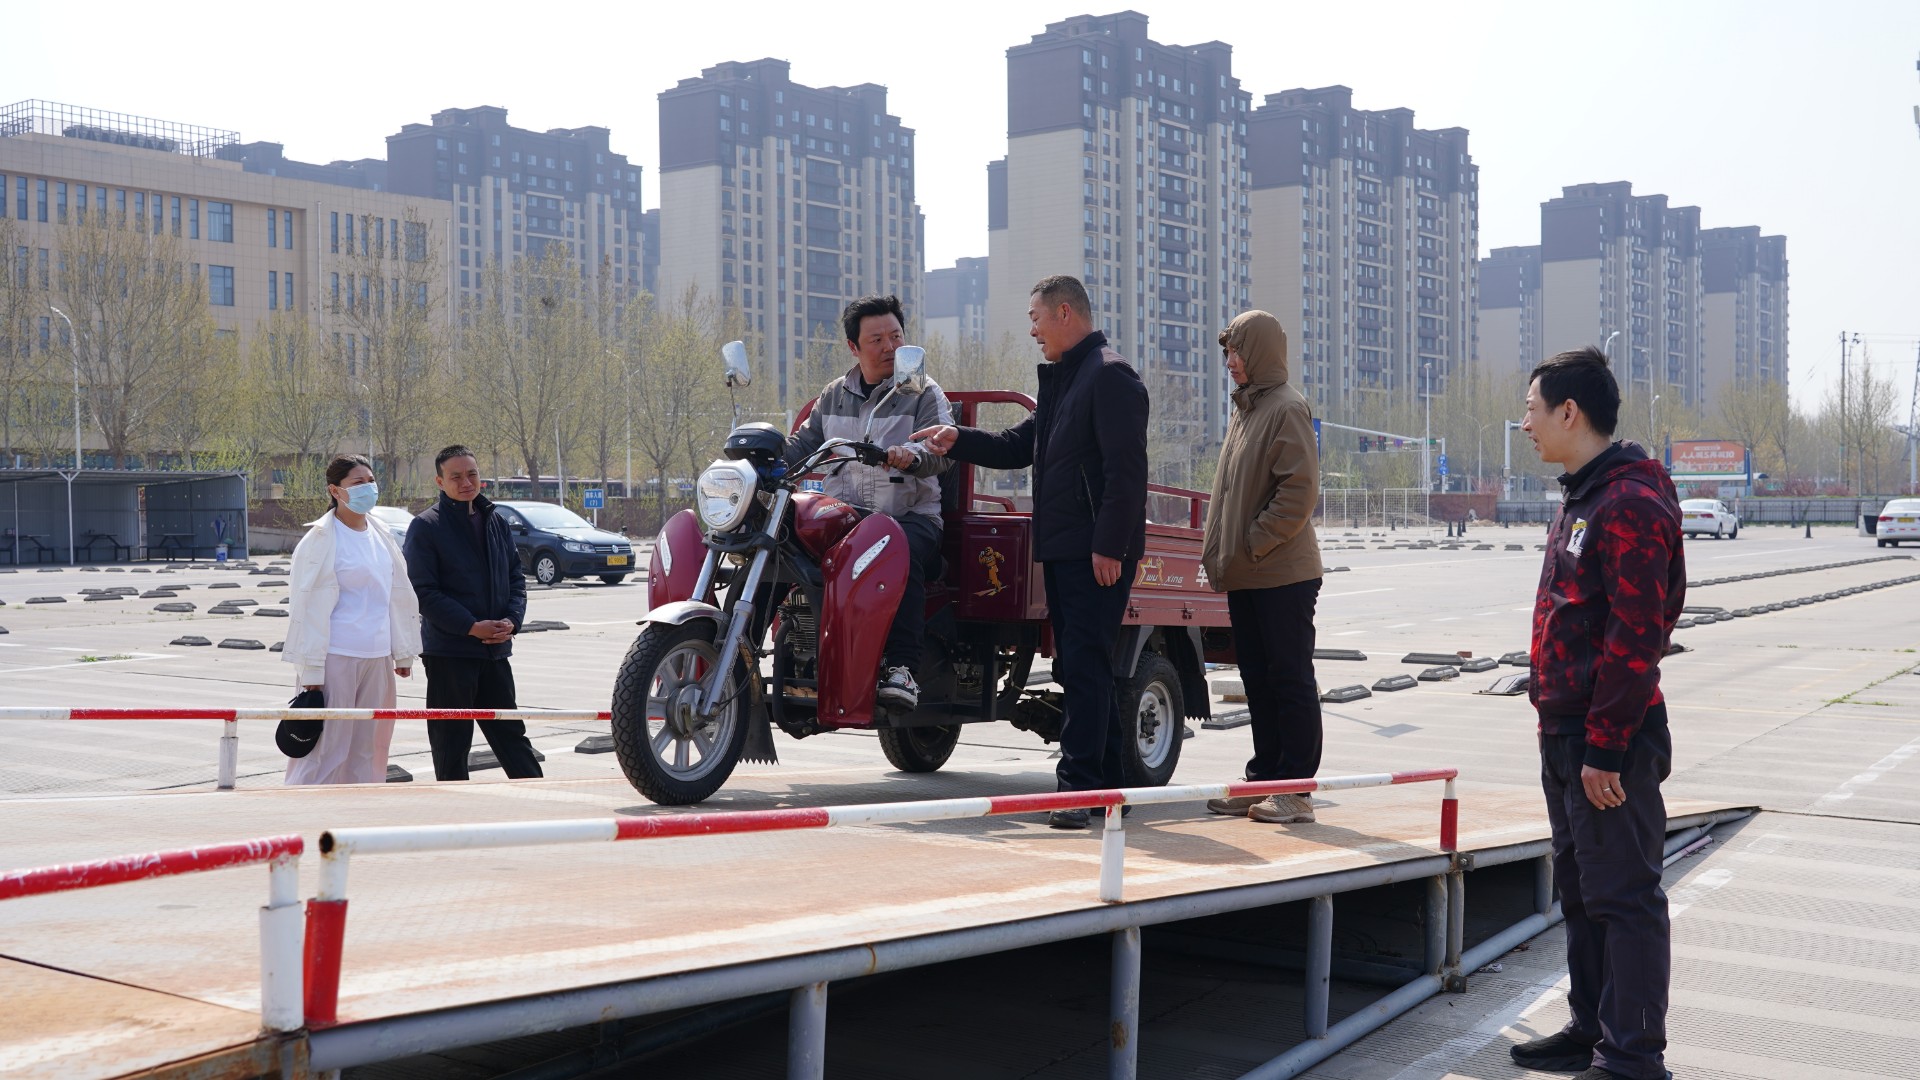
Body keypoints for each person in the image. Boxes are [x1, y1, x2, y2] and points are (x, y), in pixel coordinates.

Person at [913, 275, 1148, 829]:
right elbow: (1019, 445)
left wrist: (1109, 546)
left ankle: (1076, 791)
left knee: (1084, 668)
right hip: (1066, 549)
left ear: (1065, 313)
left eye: (1036, 318)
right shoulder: (1068, 380)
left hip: (1094, 553)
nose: (1032, 331)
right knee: (1083, 667)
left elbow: (1126, 474)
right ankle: (1111, 789)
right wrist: (957, 440)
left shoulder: (1110, 376)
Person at [1511, 346, 1684, 1080]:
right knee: (1582, 893)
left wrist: (1605, 747)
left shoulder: (1629, 502)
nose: (1525, 425)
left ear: (1569, 412)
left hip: (1607, 739)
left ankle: (1632, 1058)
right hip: (1566, 730)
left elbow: (1637, 635)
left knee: (1624, 897)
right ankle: (1593, 1029)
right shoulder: (1584, 496)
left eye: (1531, 411)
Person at [783, 294, 953, 711]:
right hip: (846, 519)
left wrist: (912, 456)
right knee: (781, 540)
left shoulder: (924, 393)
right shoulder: (833, 395)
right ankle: (745, 649)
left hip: (911, 517)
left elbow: (942, 451)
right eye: (877, 339)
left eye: (896, 336)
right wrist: (763, 457)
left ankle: (902, 669)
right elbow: (802, 446)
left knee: (896, 549)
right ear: (853, 347)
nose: (890, 347)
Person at [1197, 312, 1324, 826]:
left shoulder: (1286, 407)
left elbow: (1299, 492)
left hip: (1282, 572)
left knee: (1288, 678)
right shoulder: (1247, 409)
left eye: (1238, 351)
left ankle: (1295, 790)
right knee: (1258, 680)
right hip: (1249, 572)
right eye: (1227, 352)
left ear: (1261, 352)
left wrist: (1251, 543)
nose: (1230, 362)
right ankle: (1265, 780)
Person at [404, 445, 544, 781]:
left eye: (472, 474)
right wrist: (470, 626)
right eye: (456, 477)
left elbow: (515, 578)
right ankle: (453, 808)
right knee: (451, 744)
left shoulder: (495, 521)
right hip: (450, 653)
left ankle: (538, 795)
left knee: (512, 736)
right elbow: (423, 592)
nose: (466, 482)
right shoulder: (426, 526)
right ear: (440, 481)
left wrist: (512, 620)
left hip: (495, 651)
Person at [281, 454, 422, 785]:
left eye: (371, 481)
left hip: (377, 658)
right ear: (335, 490)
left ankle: (359, 810)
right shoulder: (318, 541)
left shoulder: (381, 535)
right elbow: (306, 608)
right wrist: (311, 672)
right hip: (336, 658)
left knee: (368, 748)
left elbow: (395, 596)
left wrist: (402, 653)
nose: (368, 488)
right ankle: (304, 809)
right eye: (358, 483)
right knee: (326, 748)